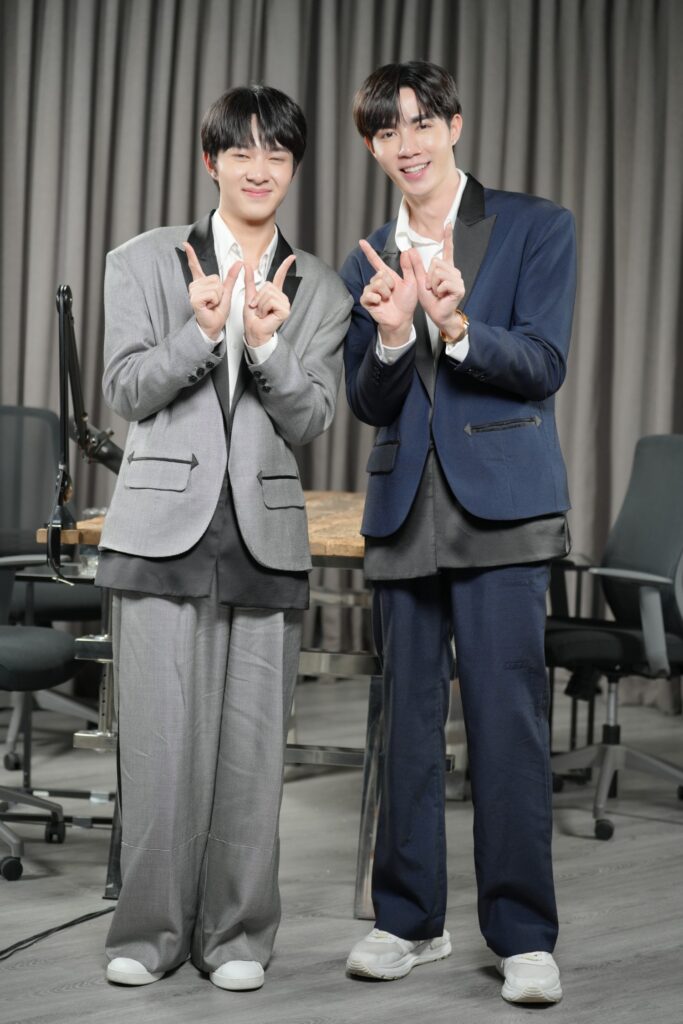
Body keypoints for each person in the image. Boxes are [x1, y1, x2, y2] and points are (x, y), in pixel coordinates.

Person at [96, 85, 352, 991]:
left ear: (293, 167)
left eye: (276, 154)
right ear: (211, 161)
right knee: (159, 752)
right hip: (159, 529)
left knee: (251, 756)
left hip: (264, 534)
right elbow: (124, 390)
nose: (258, 168)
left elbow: (313, 417)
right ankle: (149, 935)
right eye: (240, 151)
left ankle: (237, 937)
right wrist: (200, 333)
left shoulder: (322, 288)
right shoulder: (141, 261)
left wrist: (270, 350)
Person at [340, 60, 576, 1004]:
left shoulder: (534, 226)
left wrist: (458, 325)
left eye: (420, 123)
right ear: (372, 147)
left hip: (504, 511)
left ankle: (522, 937)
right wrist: (397, 337)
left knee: (505, 727)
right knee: (404, 728)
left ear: (454, 126)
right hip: (405, 510)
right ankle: (407, 922)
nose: (406, 144)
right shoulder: (367, 254)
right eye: (386, 130)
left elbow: (544, 363)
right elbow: (368, 401)